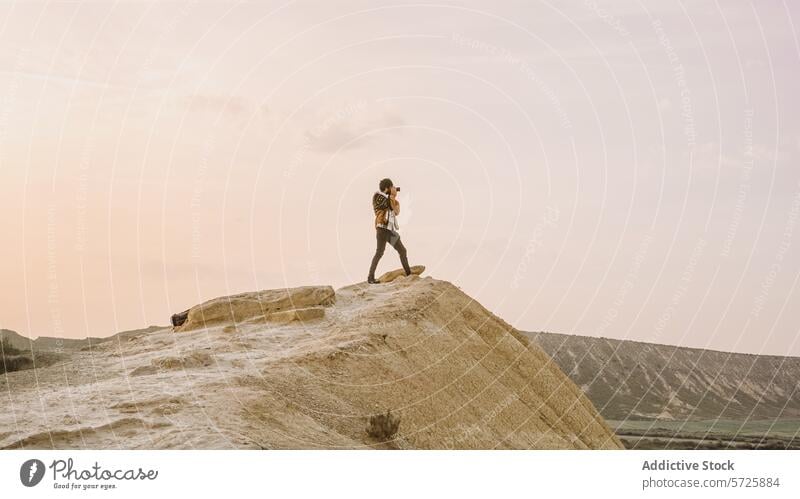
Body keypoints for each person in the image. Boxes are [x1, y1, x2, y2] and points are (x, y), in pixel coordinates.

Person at [367, 178, 412, 284]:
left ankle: (409, 274)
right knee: (379, 252)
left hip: (390, 230)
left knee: (402, 250)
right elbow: (386, 205)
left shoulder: (392, 199)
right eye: (392, 187)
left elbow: (396, 211)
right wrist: (391, 196)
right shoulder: (377, 196)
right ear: (387, 188)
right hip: (382, 228)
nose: (393, 188)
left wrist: (393, 197)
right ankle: (370, 277)